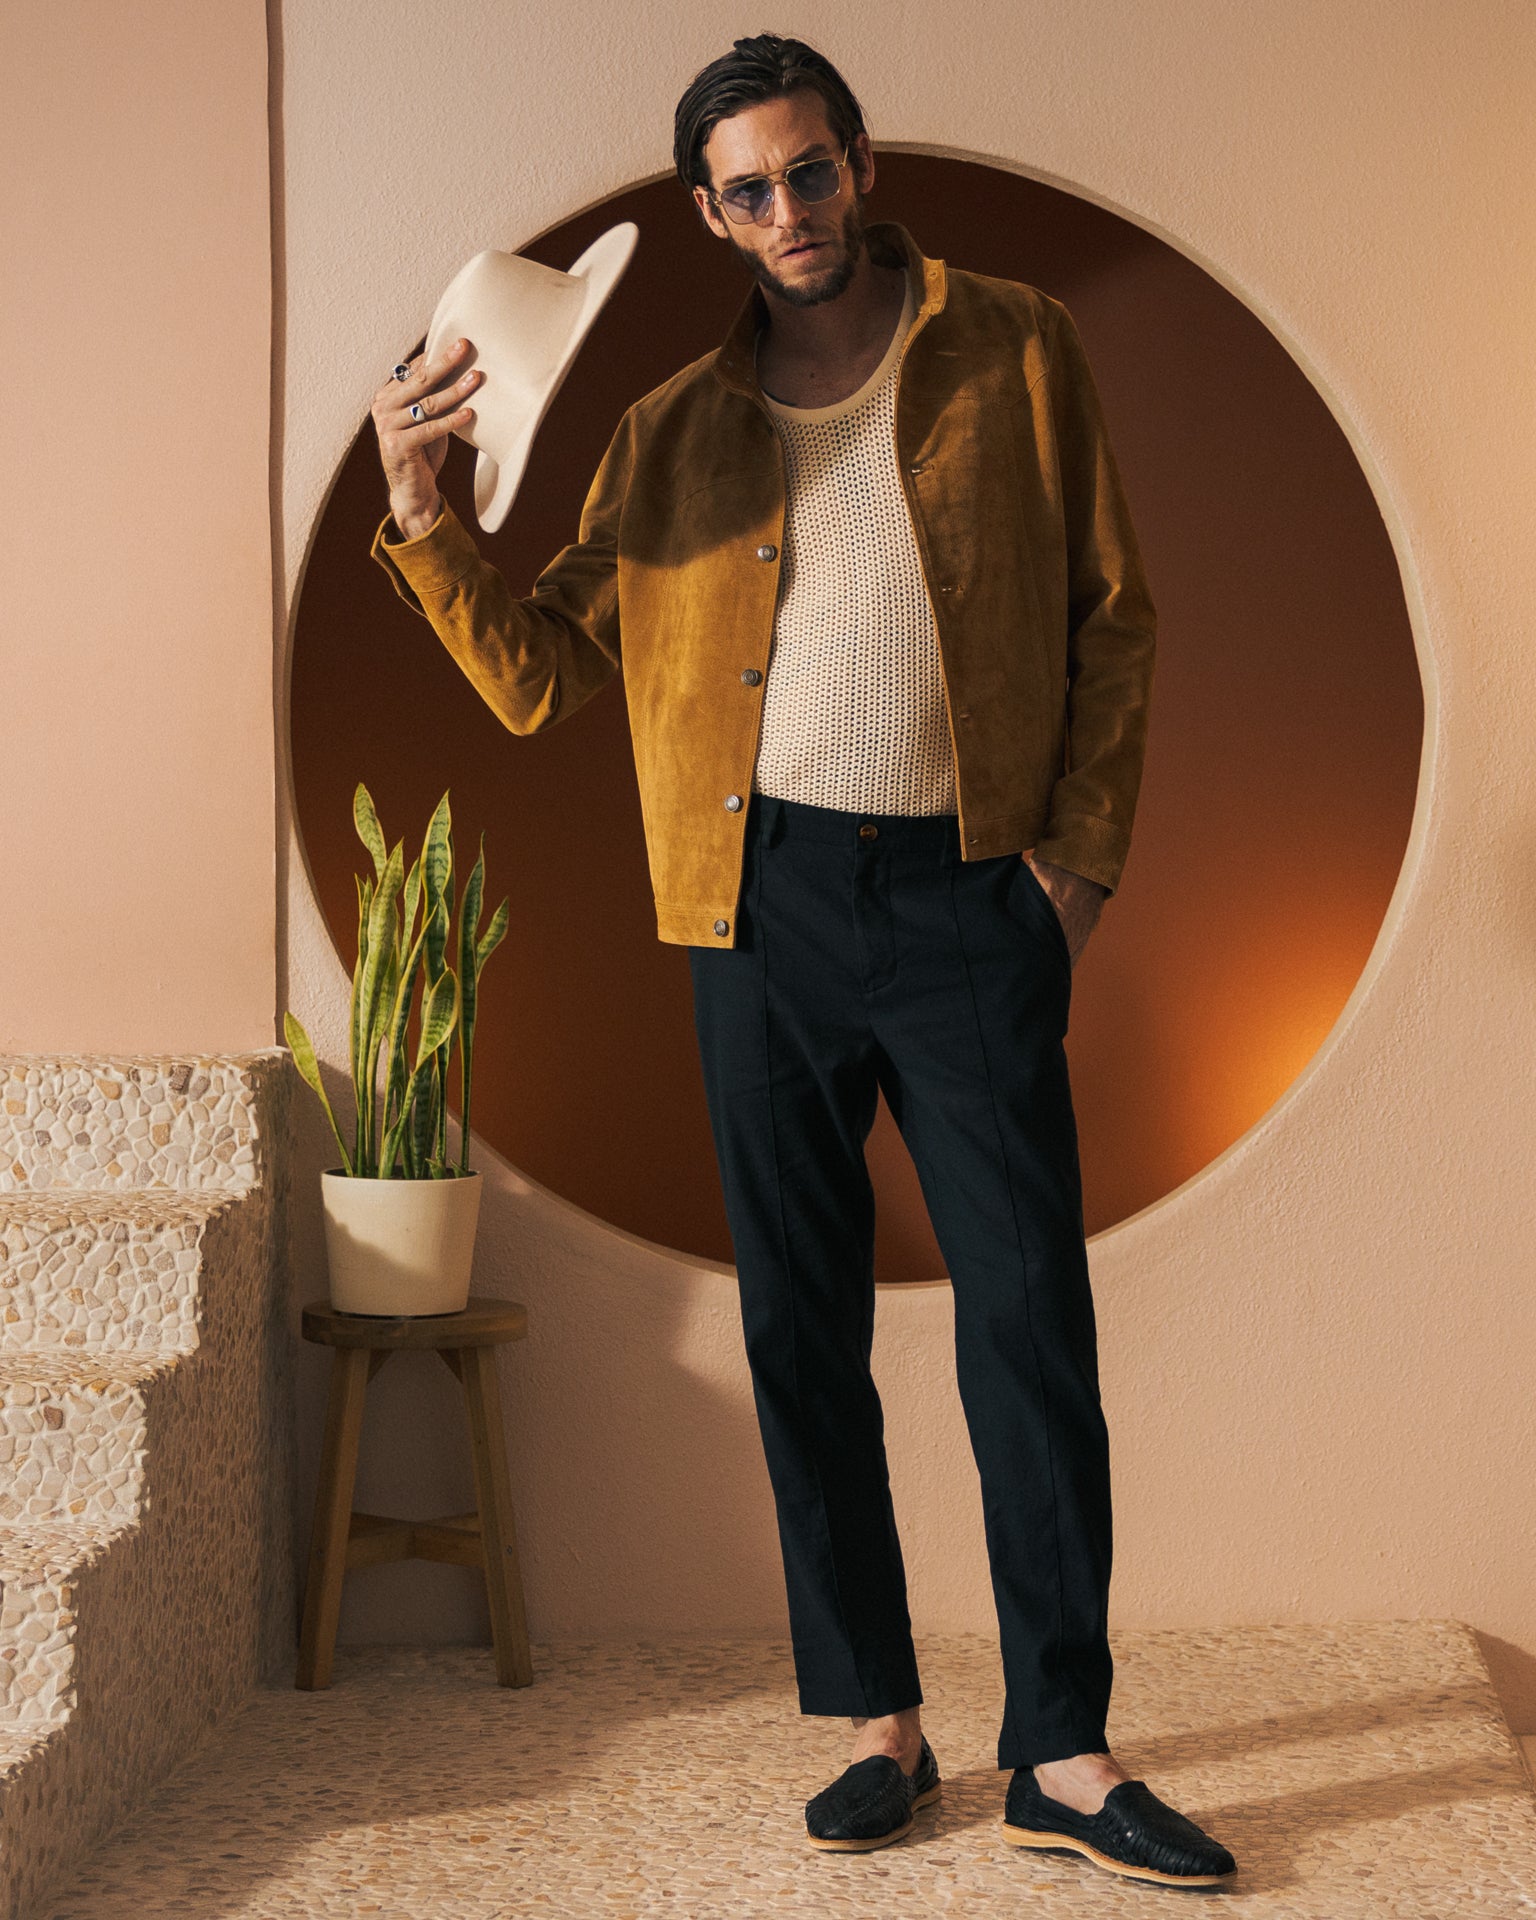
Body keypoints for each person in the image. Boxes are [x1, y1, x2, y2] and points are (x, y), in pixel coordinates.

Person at [367, 31, 1237, 1888]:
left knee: (1028, 1321)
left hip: (969, 900)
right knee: (799, 1327)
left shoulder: (1015, 347)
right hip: (755, 912)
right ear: (709, 215)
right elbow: (540, 680)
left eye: (811, 169)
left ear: (861, 163)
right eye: (749, 188)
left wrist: (1072, 875)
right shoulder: (668, 429)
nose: (790, 209)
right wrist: (425, 519)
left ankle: (1062, 1750)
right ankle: (875, 1724)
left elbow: (1115, 613)